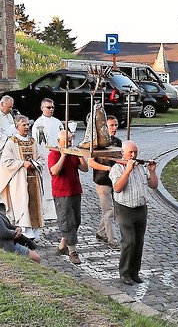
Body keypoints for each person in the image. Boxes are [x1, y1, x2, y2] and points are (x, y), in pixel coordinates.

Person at [109, 140, 158, 284]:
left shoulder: (141, 168)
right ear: (122, 153)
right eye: (130, 152)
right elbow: (118, 188)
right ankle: (124, 272)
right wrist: (128, 171)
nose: (133, 155)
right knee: (129, 241)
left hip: (141, 208)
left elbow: (154, 185)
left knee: (139, 242)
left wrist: (152, 172)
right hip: (125, 208)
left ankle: (134, 272)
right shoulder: (117, 168)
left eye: (135, 152)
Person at [0, 116, 45, 242]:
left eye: (27, 124)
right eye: (23, 125)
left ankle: (34, 232)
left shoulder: (33, 141)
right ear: (17, 126)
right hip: (19, 181)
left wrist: (36, 164)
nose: (27, 127)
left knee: (34, 205)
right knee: (22, 205)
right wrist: (22, 164)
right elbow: (6, 162)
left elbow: (41, 158)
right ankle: (24, 232)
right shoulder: (12, 142)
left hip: (33, 179)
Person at [49, 129, 88, 264]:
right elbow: (54, 171)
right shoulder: (53, 154)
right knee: (67, 221)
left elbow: (85, 169)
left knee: (76, 221)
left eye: (71, 140)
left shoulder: (73, 153)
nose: (69, 143)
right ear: (59, 142)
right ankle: (73, 251)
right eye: (67, 141)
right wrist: (63, 156)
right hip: (61, 193)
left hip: (75, 191)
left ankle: (62, 247)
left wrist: (80, 155)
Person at [0, 184, 41, 263]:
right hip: (1, 245)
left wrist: (17, 228)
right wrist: (16, 233)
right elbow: (3, 232)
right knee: (36, 258)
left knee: (32, 252)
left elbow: (7, 225)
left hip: (0, 242)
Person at [32, 98, 66, 235]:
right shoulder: (38, 124)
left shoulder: (58, 123)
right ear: (42, 108)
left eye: (52, 107)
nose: (50, 109)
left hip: (57, 156)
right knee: (46, 183)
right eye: (48, 107)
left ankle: (58, 208)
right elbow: (36, 142)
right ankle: (46, 211)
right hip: (45, 156)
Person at [87, 113, 121, 245]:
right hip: (103, 181)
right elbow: (91, 163)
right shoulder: (97, 143)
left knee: (112, 210)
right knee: (109, 211)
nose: (114, 128)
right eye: (111, 125)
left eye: (116, 125)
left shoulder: (117, 142)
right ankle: (112, 240)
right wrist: (108, 169)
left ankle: (101, 233)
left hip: (115, 181)